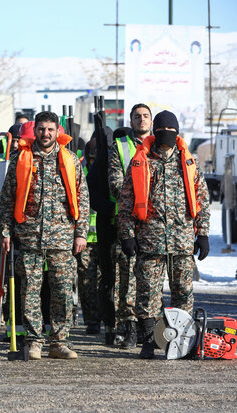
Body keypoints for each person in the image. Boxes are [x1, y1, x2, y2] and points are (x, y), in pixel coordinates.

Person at [119, 110, 210, 359]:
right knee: (147, 293)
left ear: (177, 133)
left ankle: (185, 342)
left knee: (183, 293)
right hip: (150, 241)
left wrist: (202, 235)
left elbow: (201, 200)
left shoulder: (188, 163)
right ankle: (149, 341)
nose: (166, 136)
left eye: (171, 131)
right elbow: (126, 203)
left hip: (181, 241)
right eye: (162, 131)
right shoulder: (142, 161)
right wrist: (127, 235)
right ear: (155, 132)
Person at [0, 111, 89, 360]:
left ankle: (59, 342)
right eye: (41, 129)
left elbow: (82, 198)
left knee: (61, 291)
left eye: (51, 129)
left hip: (62, 237)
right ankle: (35, 340)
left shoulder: (70, 160)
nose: (46, 134)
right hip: (28, 236)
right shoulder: (21, 159)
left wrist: (81, 234)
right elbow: (7, 199)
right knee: (30, 292)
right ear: (35, 130)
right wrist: (6, 232)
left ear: (57, 131)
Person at [108, 104, 152, 349]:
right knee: (126, 278)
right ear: (131, 121)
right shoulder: (121, 147)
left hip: (154, 225)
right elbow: (115, 182)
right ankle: (129, 328)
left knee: (150, 280)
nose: (141, 120)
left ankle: (150, 328)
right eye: (137, 116)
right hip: (128, 222)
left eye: (145, 116)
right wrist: (139, 196)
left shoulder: (159, 146)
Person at [76, 138, 101, 334]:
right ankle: (92, 320)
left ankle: (111, 321)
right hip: (86, 238)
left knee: (109, 282)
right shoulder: (79, 169)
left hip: (106, 235)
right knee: (87, 283)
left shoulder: (108, 167)